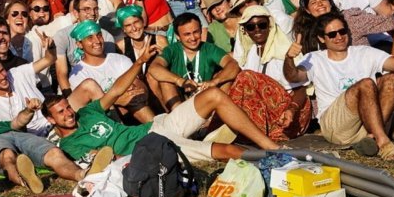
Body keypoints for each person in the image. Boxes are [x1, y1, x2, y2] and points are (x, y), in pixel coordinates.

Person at [43, 42, 284, 164]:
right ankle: (270, 162)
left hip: (157, 126)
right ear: (51, 120)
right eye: (61, 113)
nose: (68, 113)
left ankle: (272, 147)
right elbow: (100, 160)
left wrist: (138, 63)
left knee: (214, 96)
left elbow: (116, 90)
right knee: (226, 151)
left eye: (67, 107)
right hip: (153, 148)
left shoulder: (87, 112)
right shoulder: (70, 144)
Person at [283, 13, 394, 160]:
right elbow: (293, 76)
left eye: (342, 31)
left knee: (392, 79)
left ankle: (372, 137)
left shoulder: (363, 52)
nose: (339, 37)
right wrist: (289, 58)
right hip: (336, 127)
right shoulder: (314, 58)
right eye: (332, 34)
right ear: (322, 38)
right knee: (366, 84)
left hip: (367, 123)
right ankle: (384, 143)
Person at [0, 81, 82, 191]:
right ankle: (25, 181)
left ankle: (82, 175)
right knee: (7, 156)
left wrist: (29, 110)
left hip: (19, 136)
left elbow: (18, 122)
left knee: (54, 152)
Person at [231, 5, 312, 140]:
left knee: (245, 77)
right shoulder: (252, 52)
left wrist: (291, 110)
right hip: (271, 112)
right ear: (245, 31)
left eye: (262, 25)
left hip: (293, 113)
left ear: (270, 25)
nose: (257, 30)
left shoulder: (284, 49)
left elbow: (302, 89)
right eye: (251, 27)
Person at [148, 12, 241, 112]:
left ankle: (215, 117)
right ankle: (178, 117)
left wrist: (215, 81)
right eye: (187, 34)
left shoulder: (209, 48)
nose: (193, 38)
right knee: (165, 80)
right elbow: (154, 68)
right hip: (181, 99)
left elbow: (233, 65)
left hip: (206, 97)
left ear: (201, 30)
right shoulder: (172, 50)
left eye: (196, 32)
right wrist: (180, 81)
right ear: (178, 36)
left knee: (226, 77)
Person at [67, 20, 153, 123]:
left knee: (135, 101)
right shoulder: (78, 74)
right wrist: (118, 100)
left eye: (99, 35)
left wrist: (129, 96)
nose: (97, 41)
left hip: (135, 107)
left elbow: (140, 87)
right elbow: (88, 109)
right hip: (106, 118)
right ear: (79, 44)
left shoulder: (120, 59)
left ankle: (161, 131)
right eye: (90, 38)